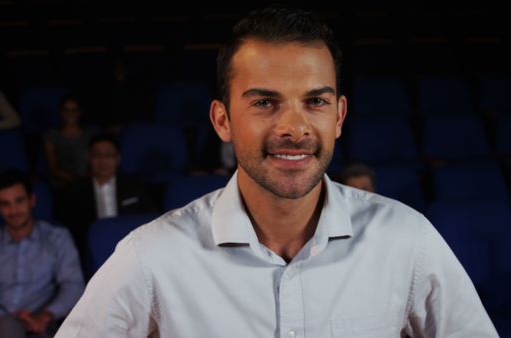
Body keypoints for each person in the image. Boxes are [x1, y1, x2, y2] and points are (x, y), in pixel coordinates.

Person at [56, 6, 497, 338]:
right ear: (222, 120)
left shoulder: (408, 240)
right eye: (265, 103)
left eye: (316, 102)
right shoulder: (150, 257)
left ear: (339, 117)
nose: (293, 128)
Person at [0, 169, 84, 338]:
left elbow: (73, 286)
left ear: (32, 200)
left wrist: (45, 315)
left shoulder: (57, 238)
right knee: (9, 328)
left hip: (42, 324)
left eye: (19, 201)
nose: (14, 210)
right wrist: (16, 321)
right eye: (5, 204)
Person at [59, 134, 155, 264]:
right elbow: (71, 231)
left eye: (108, 155)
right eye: (97, 155)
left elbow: (149, 221)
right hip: (92, 254)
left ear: (118, 158)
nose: (103, 161)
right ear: (89, 158)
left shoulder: (135, 186)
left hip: (132, 253)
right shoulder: (75, 191)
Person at [43, 96, 92, 188]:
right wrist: (73, 180)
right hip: (61, 185)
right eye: (66, 110)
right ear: (61, 113)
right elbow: (53, 168)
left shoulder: (90, 136)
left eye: (74, 110)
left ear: (80, 112)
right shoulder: (51, 135)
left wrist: (84, 181)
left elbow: (93, 164)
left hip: (86, 184)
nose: (70, 114)